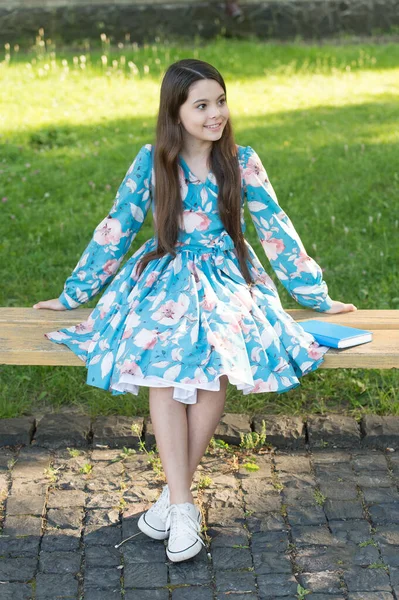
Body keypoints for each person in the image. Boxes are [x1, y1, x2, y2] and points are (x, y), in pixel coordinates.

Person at [33, 58, 357, 563]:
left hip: (226, 278)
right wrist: (74, 294)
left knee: (216, 367)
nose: (216, 114)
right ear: (176, 111)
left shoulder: (241, 160)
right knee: (163, 369)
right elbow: (116, 225)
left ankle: (171, 497)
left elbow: (276, 229)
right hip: (164, 275)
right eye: (201, 105)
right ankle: (183, 507)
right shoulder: (154, 161)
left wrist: (315, 294)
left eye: (221, 102)